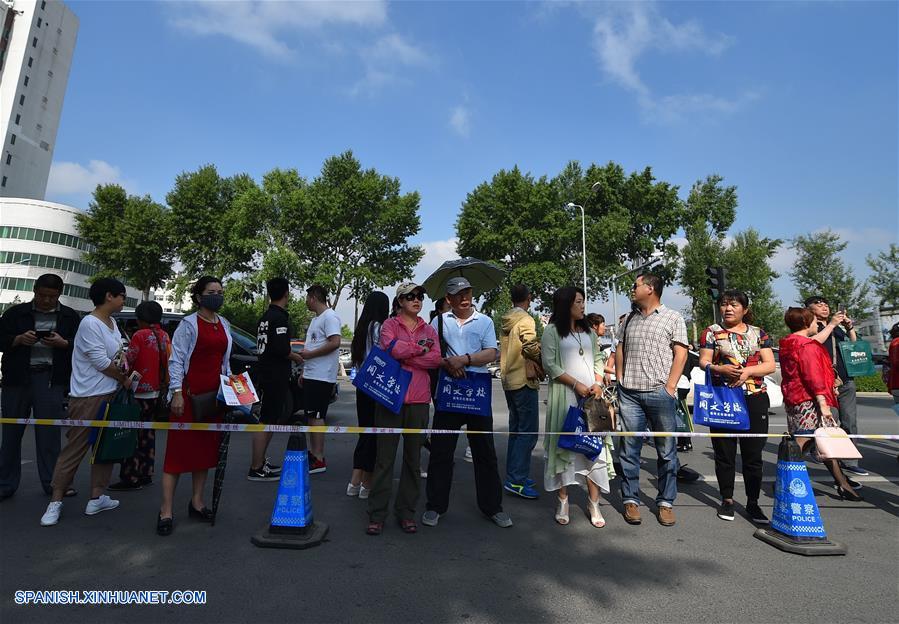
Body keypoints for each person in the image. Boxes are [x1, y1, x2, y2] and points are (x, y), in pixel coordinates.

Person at [423, 276, 512, 528]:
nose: (464, 298)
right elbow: (431, 353)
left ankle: (492, 507)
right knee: (441, 451)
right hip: (449, 390)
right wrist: (448, 363)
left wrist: (464, 359)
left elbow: (492, 352)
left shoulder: (484, 321)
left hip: (477, 392)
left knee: (485, 451)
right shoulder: (438, 322)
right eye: (457, 294)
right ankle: (435, 506)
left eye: (467, 292)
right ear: (448, 299)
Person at [39, 278, 129, 526]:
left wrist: (124, 368)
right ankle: (55, 501)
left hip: (111, 393)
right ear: (109, 296)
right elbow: (100, 362)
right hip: (89, 395)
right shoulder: (90, 323)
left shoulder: (112, 323)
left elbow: (118, 354)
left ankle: (97, 497)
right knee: (75, 449)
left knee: (104, 450)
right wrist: (124, 378)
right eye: (121, 296)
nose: (123, 300)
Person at [157, 276, 233, 536]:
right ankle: (166, 510)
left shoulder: (224, 324)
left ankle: (197, 502)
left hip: (214, 399)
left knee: (204, 453)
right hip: (188, 398)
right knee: (176, 455)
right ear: (199, 297)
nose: (218, 295)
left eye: (221, 292)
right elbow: (176, 360)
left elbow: (225, 362)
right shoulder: (188, 325)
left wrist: (233, 387)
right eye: (212, 291)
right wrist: (176, 392)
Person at [366, 283, 442, 535]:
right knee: (384, 460)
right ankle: (377, 514)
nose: (416, 300)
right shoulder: (389, 326)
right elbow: (391, 348)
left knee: (413, 460)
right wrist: (419, 350)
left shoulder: (429, 328)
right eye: (410, 296)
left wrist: (407, 354)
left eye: (420, 296)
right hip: (389, 399)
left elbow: (435, 359)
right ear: (399, 301)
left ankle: (406, 513)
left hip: (420, 401)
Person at [613, 273, 688, 527]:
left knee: (666, 451)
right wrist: (620, 378)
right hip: (630, 393)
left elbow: (681, 353)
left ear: (651, 288)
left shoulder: (673, 318)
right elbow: (620, 347)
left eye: (635, 286)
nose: (632, 289)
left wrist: (670, 386)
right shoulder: (629, 318)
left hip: (660, 393)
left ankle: (666, 502)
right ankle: (630, 500)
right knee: (629, 449)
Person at [698, 290, 775, 524]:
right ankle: (727, 499)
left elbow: (770, 364)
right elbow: (703, 360)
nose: (728, 309)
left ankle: (753, 503)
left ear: (745, 309)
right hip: (723, 399)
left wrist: (749, 371)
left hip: (754, 397)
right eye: (724, 305)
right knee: (724, 453)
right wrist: (718, 369)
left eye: (734, 305)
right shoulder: (711, 332)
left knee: (753, 456)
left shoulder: (758, 333)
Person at [0, 274, 80, 500]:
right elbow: (1, 338)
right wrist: (17, 339)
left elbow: (81, 346)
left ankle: (54, 484)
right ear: (35, 291)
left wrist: (64, 343)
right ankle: (5, 482)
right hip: (17, 379)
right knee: (10, 434)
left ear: (59, 295)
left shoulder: (69, 317)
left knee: (49, 435)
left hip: (51, 379)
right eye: (42, 295)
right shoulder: (15, 314)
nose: (46, 300)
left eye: (52, 296)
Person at [542, 287, 615, 528]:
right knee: (565, 448)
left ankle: (593, 502)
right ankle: (563, 499)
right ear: (565, 304)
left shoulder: (589, 332)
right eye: (578, 302)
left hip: (592, 398)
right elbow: (550, 365)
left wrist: (595, 384)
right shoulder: (552, 331)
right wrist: (576, 384)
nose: (583, 306)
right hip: (565, 397)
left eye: (583, 301)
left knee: (593, 448)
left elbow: (598, 360)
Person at [778, 307, 862, 501]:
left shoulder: (788, 343)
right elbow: (813, 376)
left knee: (823, 442)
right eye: (815, 322)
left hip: (795, 398)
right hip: (809, 401)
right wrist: (823, 404)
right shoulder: (807, 346)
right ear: (807, 323)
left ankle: (843, 483)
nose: (818, 325)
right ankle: (784, 482)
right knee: (802, 442)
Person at [109, 301, 171, 491]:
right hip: (156, 392)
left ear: (140, 318)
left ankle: (131, 476)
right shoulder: (164, 335)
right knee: (148, 434)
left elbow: (127, 362)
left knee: (132, 435)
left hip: (138, 392)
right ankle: (146, 472)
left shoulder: (140, 335)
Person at [806, 296, 867, 477]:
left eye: (826, 304)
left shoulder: (837, 327)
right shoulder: (810, 326)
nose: (824, 307)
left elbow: (854, 346)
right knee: (829, 422)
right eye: (818, 304)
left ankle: (850, 461)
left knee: (850, 421)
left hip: (845, 379)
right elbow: (812, 343)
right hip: (825, 381)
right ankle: (826, 457)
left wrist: (848, 327)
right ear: (809, 309)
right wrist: (831, 324)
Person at [248, 278, 302, 482]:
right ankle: (256, 467)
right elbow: (281, 348)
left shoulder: (265, 316)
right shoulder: (278, 318)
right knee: (267, 419)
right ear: (286, 293)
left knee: (269, 418)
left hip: (266, 371)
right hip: (274, 374)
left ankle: (261, 461)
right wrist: (296, 356)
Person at [499, 284, 542, 499]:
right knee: (528, 433)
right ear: (529, 297)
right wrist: (542, 356)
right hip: (525, 381)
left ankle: (515, 475)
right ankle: (516, 480)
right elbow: (530, 345)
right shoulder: (525, 319)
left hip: (508, 380)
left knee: (516, 432)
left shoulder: (507, 319)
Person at [347, 291, 390, 498]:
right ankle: (365, 483)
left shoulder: (361, 328)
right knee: (374, 435)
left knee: (365, 432)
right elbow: (386, 353)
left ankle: (355, 482)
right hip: (376, 385)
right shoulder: (379, 327)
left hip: (362, 384)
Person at [298, 284, 341, 474]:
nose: (306, 301)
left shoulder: (330, 317)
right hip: (312, 375)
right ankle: (314, 454)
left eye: (307, 298)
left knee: (316, 417)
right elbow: (311, 347)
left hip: (322, 377)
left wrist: (310, 355)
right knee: (311, 416)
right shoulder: (317, 319)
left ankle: (318, 457)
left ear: (314, 297)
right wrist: (304, 372)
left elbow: (335, 342)